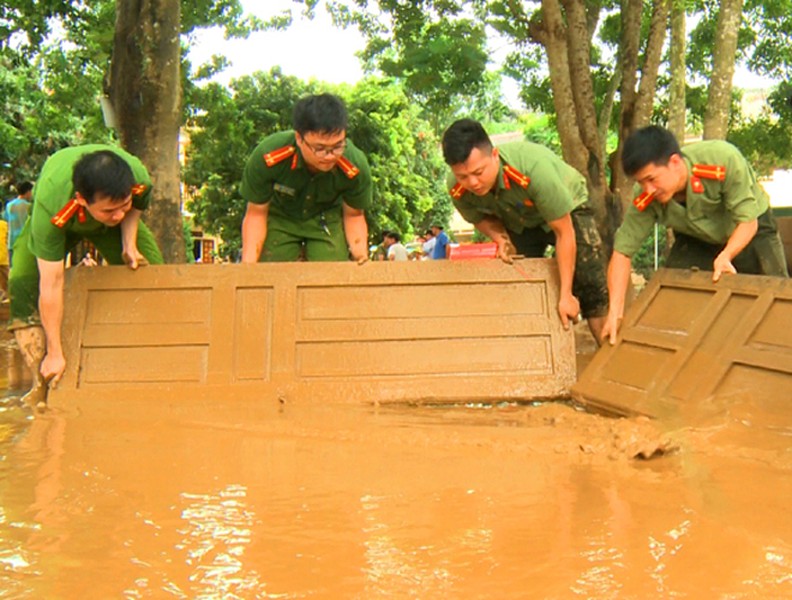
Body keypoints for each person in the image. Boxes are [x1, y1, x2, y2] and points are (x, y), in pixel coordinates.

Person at [602, 125, 789, 344]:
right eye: (641, 182)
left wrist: (726, 255)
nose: (648, 190)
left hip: (752, 230)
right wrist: (615, 311)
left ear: (674, 162)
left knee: (779, 301)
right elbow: (622, 253)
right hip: (695, 239)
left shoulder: (721, 160)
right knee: (671, 298)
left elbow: (748, 222)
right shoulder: (646, 198)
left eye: (652, 179)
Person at [8, 146, 164, 408]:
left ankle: (149, 366)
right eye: (110, 210)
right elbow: (52, 282)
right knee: (22, 280)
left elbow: (134, 206)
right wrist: (56, 351)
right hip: (62, 222)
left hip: (108, 229)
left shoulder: (138, 177)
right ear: (81, 199)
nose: (118, 214)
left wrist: (129, 242)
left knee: (153, 272)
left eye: (122, 205)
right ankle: (43, 382)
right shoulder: (52, 206)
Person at [441, 118, 609, 340]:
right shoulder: (456, 187)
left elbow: (564, 233)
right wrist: (500, 239)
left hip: (568, 208)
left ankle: (607, 360)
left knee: (591, 283)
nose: (472, 183)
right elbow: (479, 218)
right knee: (522, 280)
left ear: (494, 156)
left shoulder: (534, 170)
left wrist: (566, 294)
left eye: (479, 172)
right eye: (463, 176)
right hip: (519, 220)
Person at [240, 93, 372, 263]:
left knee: (330, 277)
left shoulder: (354, 165)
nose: (330, 156)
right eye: (320, 148)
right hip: (281, 217)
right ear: (299, 138)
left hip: (326, 220)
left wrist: (361, 256)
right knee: (272, 274)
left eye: (338, 146)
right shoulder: (269, 156)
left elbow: (354, 215)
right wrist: (248, 267)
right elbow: (256, 213)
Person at [5, 181, 33, 264]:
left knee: (12, 268)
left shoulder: (9, 205)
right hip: (24, 242)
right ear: (28, 192)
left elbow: (6, 220)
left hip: (12, 241)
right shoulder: (29, 207)